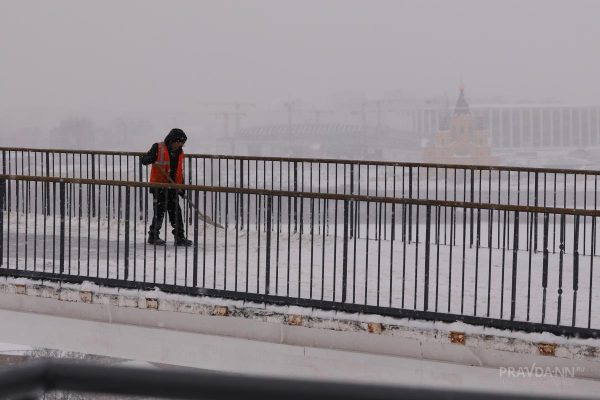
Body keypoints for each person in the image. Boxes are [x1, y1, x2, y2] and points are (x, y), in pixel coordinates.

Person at [140, 128, 193, 246]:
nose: (181, 145)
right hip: (159, 187)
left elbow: (179, 171)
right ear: (172, 140)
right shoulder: (158, 148)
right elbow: (144, 160)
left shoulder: (179, 152)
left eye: (182, 143)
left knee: (176, 212)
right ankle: (153, 236)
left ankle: (179, 237)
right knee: (159, 212)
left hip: (172, 187)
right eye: (179, 142)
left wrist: (181, 188)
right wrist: (150, 158)